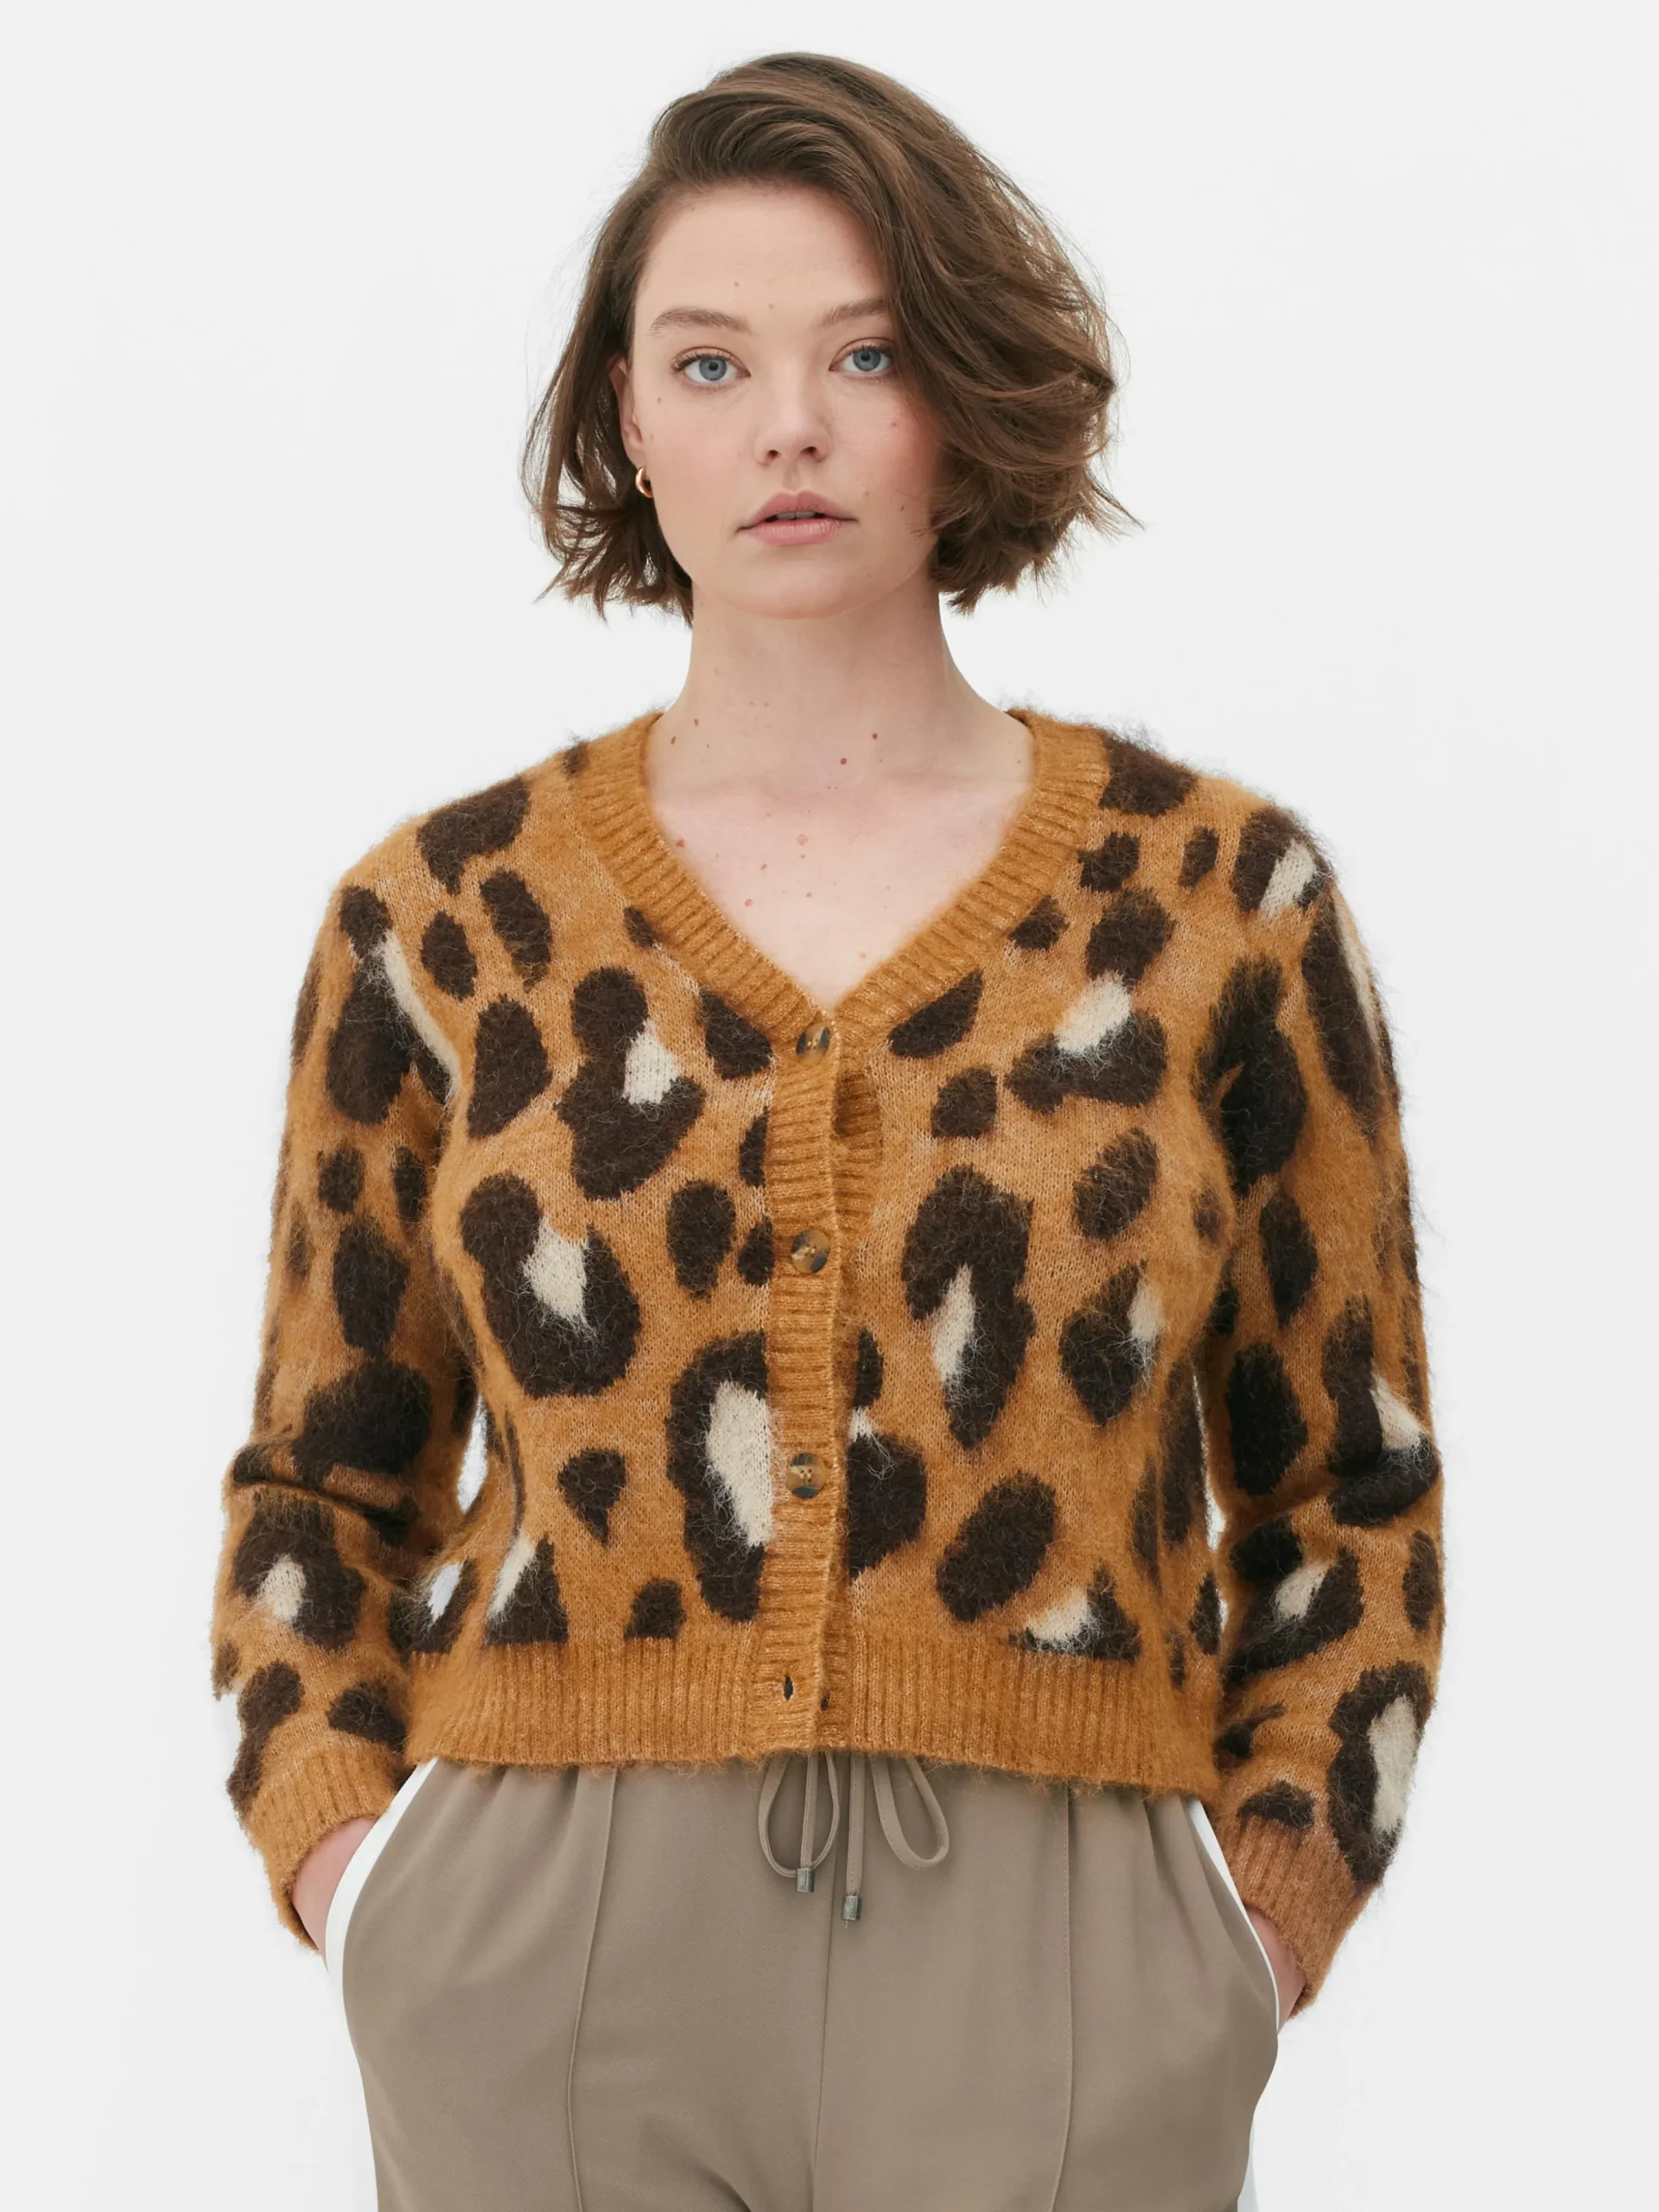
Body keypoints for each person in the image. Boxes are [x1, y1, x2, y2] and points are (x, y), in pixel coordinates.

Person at [208, 50, 1444, 2212]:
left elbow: (1350, 1483)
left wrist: (1259, 1922)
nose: (789, 424)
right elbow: (323, 1470)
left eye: (865, 354)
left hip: (1058, 1936)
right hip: (544, 1938)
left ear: (958, 393)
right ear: (627, 416)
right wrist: (356, 1866)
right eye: (713, 361)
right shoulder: (441, 921)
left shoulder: (1217, 904)